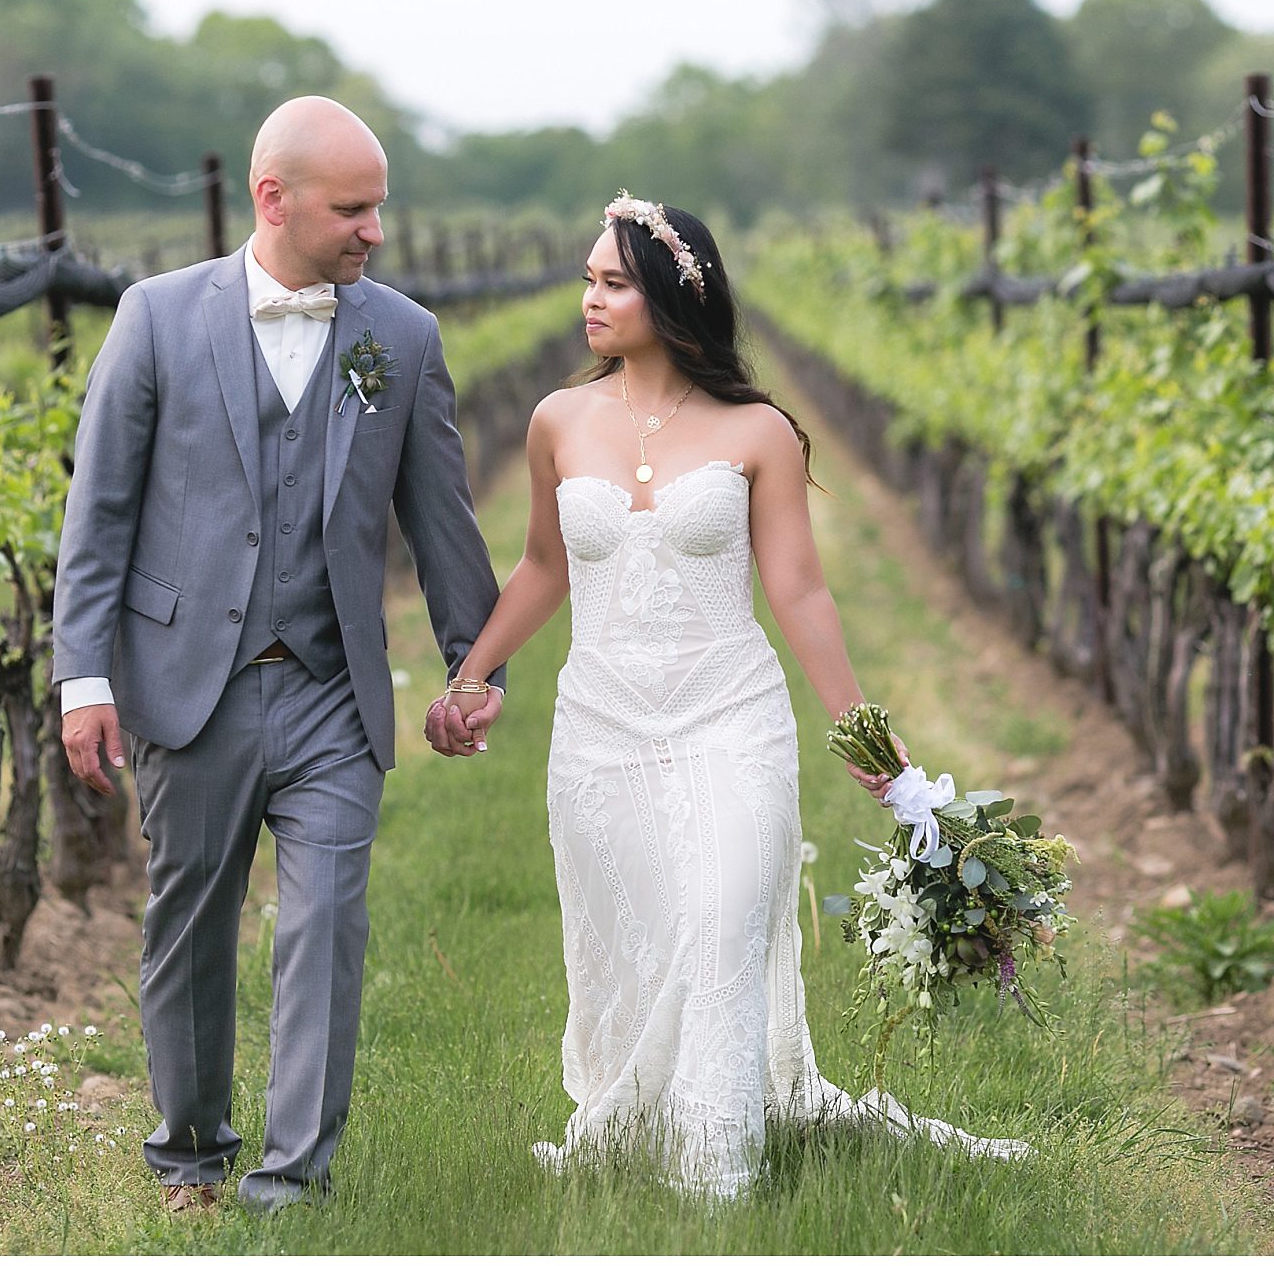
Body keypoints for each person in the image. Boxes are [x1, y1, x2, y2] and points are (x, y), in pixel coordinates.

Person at [425, 192, 1026, 1197]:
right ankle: (647, 1121)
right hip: (602, 726)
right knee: (642, 944)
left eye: (613, 283)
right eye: (587, 279)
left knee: (720, 923)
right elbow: (541, 565)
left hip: (730, 718)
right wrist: (472, 673)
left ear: (673, 296)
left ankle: (717, 1173)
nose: (589, 299)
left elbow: (800, 592)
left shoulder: (758, 431)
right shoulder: (556, 421)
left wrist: (872, 745)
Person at [53, 96, 503, 1215]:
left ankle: (291, 1180)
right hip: (187, 687)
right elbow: (98, 513)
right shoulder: (156, 318)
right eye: (352, 210)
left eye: (378, 208)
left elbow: (442, 521)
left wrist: (474, 668)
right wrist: (85, 678)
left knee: (325, 922)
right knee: (190, 924)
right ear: (273, 198)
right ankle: (190, 1154)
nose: (374, 231)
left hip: (333, 691)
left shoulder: (401, 336)